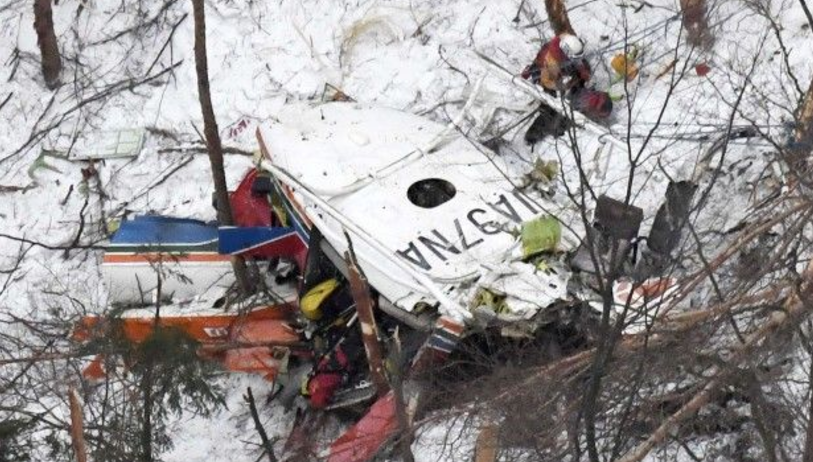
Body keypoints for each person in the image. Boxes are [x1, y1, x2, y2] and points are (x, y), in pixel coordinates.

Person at [522, 34, 592, 94]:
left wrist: (583, 71)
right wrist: (566, 85)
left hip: (555, 63)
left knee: (580, 69)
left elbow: (578, 59)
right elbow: (547, 82)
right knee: (548, 92)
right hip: (543, 73)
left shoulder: (565, 40)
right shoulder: (552, 63)